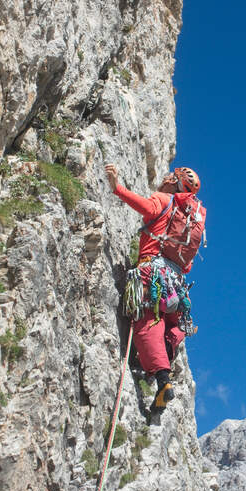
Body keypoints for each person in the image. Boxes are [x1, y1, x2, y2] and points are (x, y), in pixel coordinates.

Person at [105, 164, 204, 412]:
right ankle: (163, 356)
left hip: (152, 274)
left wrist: (117, 187)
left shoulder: (164, 199)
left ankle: (162, 381)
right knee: (171, 325)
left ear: (175, 182)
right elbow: (188, 263)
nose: (165, 177)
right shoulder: (189, 218)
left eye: (171, 176)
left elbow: (147, 208)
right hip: (176, 285)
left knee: (147, 322)